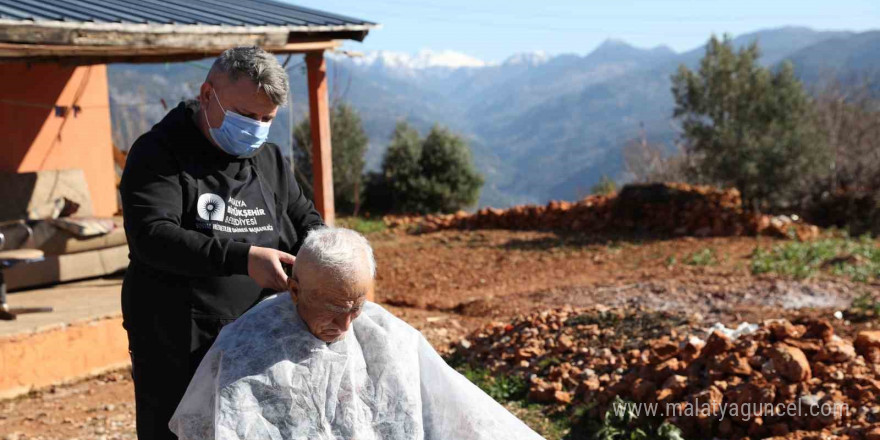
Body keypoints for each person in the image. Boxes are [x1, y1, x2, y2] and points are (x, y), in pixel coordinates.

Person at [119, 46, 324, 439]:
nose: (256, 129)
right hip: (179, 337)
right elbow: (152, 237)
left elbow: (305, 221)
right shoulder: (158, 152)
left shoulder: (270, 159)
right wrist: (244, 258)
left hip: (259, 333)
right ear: (207, 94)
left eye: (267, 119)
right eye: (246, 116)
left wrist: (332, 255)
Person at [169, 227, 544, 440]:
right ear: (295, 291)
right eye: (333, 310)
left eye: (356, 307)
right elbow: (206, 427)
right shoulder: (245, 348)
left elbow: (460, 415)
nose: (347, 326)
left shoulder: (387, 337)